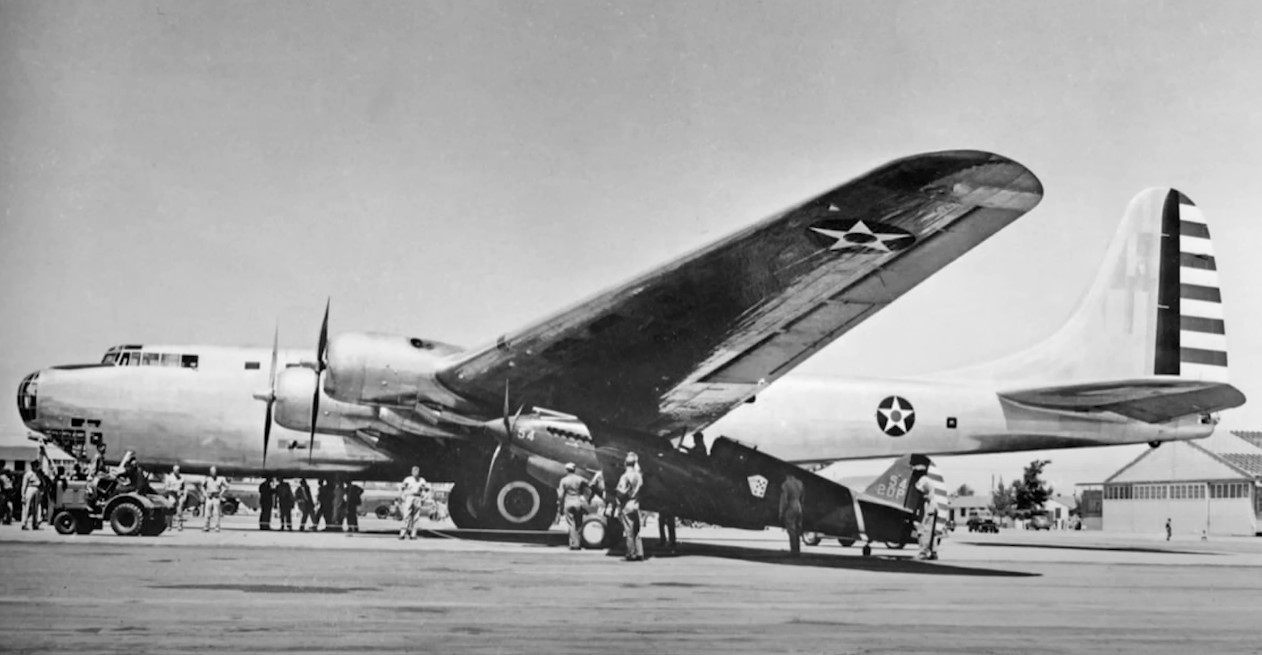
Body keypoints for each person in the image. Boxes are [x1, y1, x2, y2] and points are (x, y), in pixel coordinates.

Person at [616, 453, 644, 561]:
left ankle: (631, 554)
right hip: (636, 505)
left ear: (625, 464)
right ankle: (640, 553)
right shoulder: (639, 476)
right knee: (636, 531)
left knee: (629, 532)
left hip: (627, 506)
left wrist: (618, 500)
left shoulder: (625, 476)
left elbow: (621, 492)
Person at [556, 463, 589, 550]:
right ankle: (578, 543)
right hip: (578, 502)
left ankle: (574, 544)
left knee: (571, 524)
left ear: (566, 470)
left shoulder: (564, 480)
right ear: (574, 470)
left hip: (568, 503)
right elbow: (588, 483)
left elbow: (560, 495)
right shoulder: (579, 479)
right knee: (579, 524)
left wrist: (560, 505)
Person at [398, 466, 430, 540]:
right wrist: (401, 496)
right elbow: (402, 488)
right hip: (409, 496)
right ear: (412, 472)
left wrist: (424, 493)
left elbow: (426, 489)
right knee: (406, 515)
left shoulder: (422, 480)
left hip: (417, 497)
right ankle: (403, 533)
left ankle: (413, 534)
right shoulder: (408, 479)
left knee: (416, 517)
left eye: (417, 471)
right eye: (414, 471)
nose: (416, 472)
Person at [913, 465, 936, 560]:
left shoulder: (923, 479)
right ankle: (933, 552)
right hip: (935, 505)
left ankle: (923, 552)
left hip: (930, 505)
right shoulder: (930, 480)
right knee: (932, 531)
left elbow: (918, 489)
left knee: (925, 529)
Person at [779, 473, 805, 557]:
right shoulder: (800, 483)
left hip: (791, 507)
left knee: (791, 530)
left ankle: (793, 551)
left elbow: (784, 499)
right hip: (799, 507)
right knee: (797, 530)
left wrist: (781, 512)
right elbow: (802, 498)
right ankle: (797, 550)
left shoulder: (785, 484)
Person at [202, 466, 228, 533]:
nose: (213, 473)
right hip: (209, 497)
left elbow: (227, 486)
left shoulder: (220, 479)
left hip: (216, 497)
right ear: (210, 472)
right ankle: (206, 527)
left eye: (215, 472)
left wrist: (221, 493)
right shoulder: (207, 479)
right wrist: (205, 494)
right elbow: (202, 487)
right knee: (207, 513)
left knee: (216, 513)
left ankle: (217, 527)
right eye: (212, 472)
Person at [21, 461, 44, 530]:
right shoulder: (28, 474)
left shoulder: (38, 474)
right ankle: (24, 523)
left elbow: (42, 482)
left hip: (37, 489)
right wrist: (23, 495)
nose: (36, 467)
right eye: (35, 465)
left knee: (35, 508)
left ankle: (35, 524)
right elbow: (24, 484)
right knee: (27, 507)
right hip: (30, 488)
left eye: (37, 465)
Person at [166, 465, 189, 531]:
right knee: (170, 510)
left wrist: (184, 496)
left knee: (179, 511)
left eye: (178, 470)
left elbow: (185, 488)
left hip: (179, 496)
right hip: (172, 495)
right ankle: (169, 525)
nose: (177, 471)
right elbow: (166, 487)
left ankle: (179, 526)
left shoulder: (182, 478)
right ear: (173, 470)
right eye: (175, 470)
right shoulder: (169, 478)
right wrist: (173, 490)